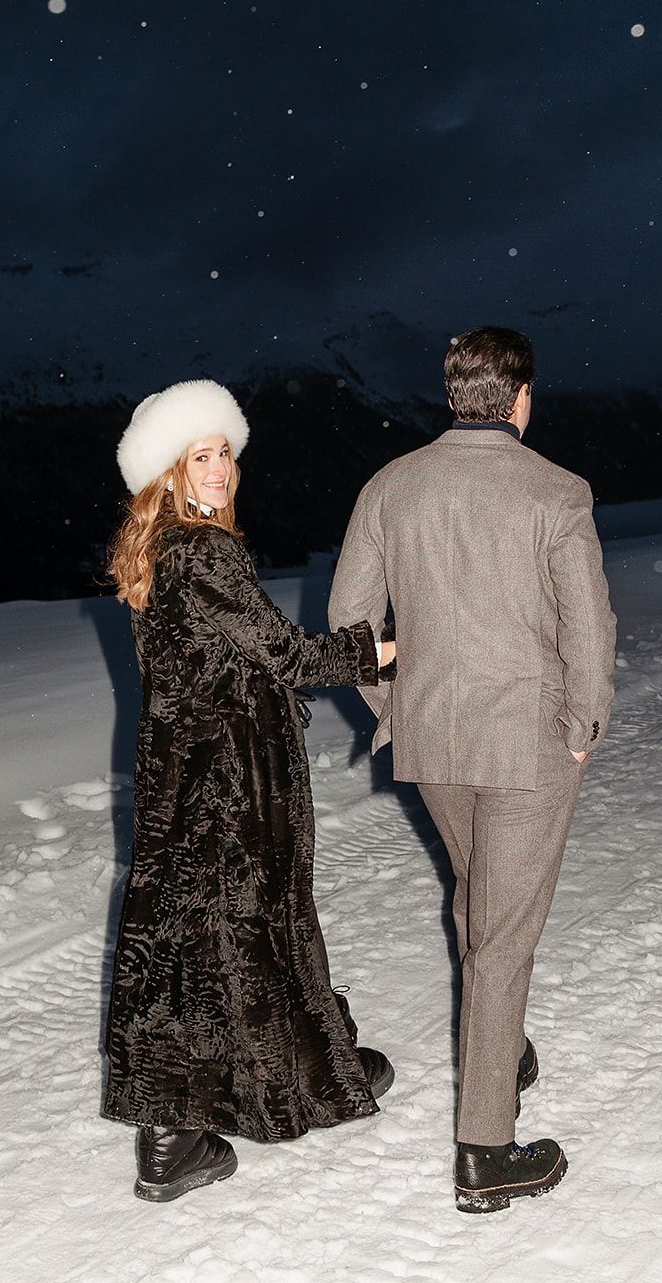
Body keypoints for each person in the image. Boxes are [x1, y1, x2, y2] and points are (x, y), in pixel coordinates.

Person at [329, 327, 616, 1214]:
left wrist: (396, 706)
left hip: (436, 739)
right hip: (528, 743)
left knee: (476, 892)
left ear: (453, 394)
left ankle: (504, 1046)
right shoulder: (554, 492)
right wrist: (582, 727)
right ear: (520, 396)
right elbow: (588, 631)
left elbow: (348, 626)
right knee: (504, 936)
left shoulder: (390, 487)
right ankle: (486, 1151)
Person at [104, 378, 396, 1203]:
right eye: (203, 455)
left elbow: (200, 671)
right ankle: (302, 1072)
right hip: (232, 782)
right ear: (169, 472)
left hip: (179, 779)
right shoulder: (203, 551)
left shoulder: (157, 554)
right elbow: (289, 658)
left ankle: (173, 1136)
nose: (222, 468)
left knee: (189, 943)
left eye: (226, 451)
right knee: (247, 929)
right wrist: (379, 651)